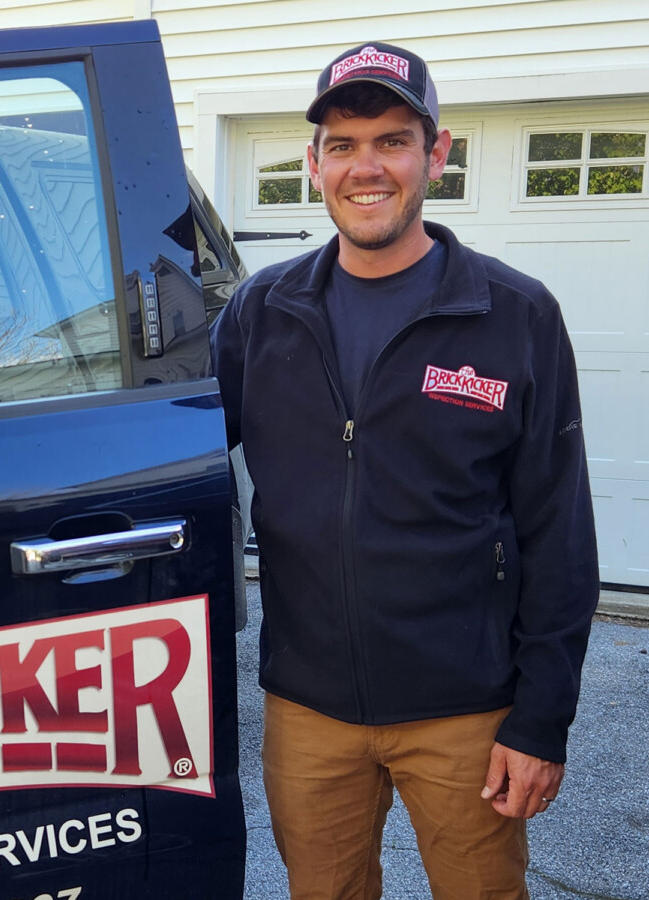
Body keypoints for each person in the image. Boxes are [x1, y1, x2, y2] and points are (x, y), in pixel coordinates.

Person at [210, 41, 600, 899]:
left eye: (392, 139)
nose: (367, 168)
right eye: (343, 146)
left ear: (437, 153)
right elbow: (177, 457)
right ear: (314, 164)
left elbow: (559, 531)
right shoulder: (261, 314)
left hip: (464, 709)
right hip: (307, 708)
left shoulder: (514, 314)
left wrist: (541, 721)